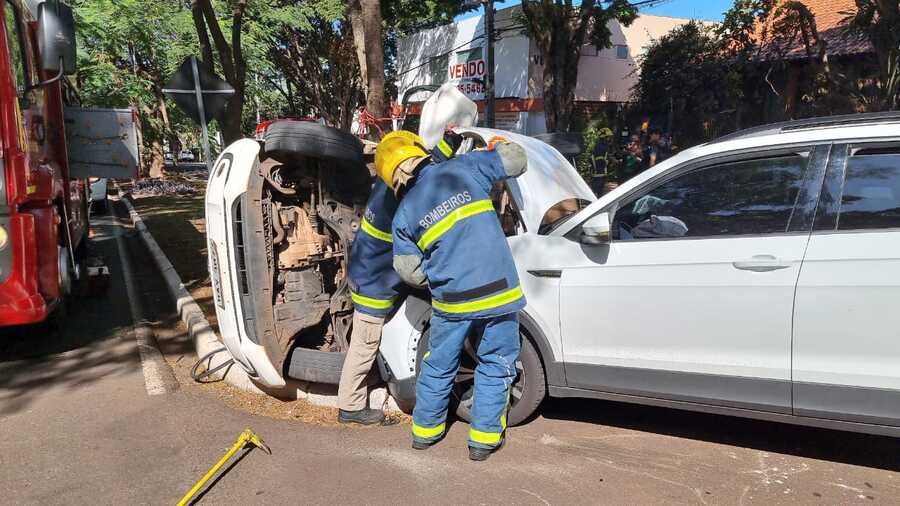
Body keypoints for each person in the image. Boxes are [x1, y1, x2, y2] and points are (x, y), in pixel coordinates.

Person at [374, 131, 528, 461]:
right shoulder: (465, 168)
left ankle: (424, 433)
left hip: (451, 300)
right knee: (496, 362)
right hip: (498, 293)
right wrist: (499, 145)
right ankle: (483, 441)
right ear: (418, 151)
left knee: (439, 365)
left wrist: (444, 271)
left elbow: (410, 271)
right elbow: (517, 160)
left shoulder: (403, 216)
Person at [337, 131, 465, 426]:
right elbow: (424, 178)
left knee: (370, 339)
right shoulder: (400, 198)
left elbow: (422, 167)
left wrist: (449, 141)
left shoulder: (388, 181)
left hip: (370, 273)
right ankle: (350, 406)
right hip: (374, 282)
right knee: (365, 342)